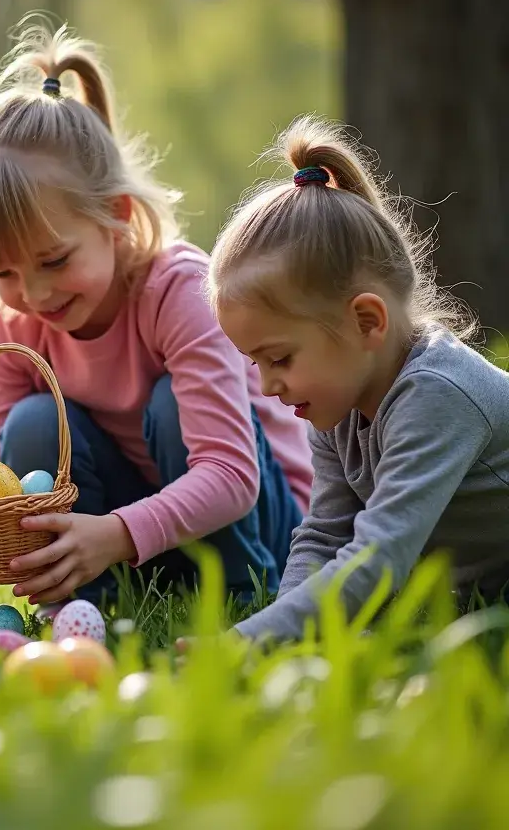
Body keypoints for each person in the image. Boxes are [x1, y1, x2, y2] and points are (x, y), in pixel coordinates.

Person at [0, 25, 312, 610]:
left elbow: (231, 474)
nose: (34, 293)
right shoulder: (14, 322)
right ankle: (89, 603)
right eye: (2, 272)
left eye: (53, 260)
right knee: (29, 423)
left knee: (169, 405)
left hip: (259, 528)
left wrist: (117, 533)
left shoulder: (180, 292)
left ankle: (235, 599)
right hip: (126, 540)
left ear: (116, 215)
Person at [207, 115, 509, 643]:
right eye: (255, 363)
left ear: (366, 321)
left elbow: (378, 556)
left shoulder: (437, 394)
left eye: (278, 357)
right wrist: (284, 635)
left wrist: (250, 641)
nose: (267, 386)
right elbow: (325, 536)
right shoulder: (337, 401)